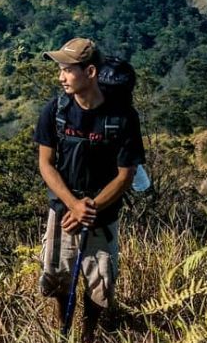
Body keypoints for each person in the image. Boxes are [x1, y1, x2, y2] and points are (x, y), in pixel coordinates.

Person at [34, 37, 146, 342]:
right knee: (58, 278)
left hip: (101, 217)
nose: (61, 76)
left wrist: (89, 208)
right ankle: (63, 332)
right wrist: (73, 205)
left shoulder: (122, 119)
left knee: (100, 286)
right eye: (61, 69)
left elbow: (125, 176)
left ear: (91, 72)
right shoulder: (55, 110)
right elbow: (46, 164)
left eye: (68, 70)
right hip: (63, 212)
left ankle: (87, 335)